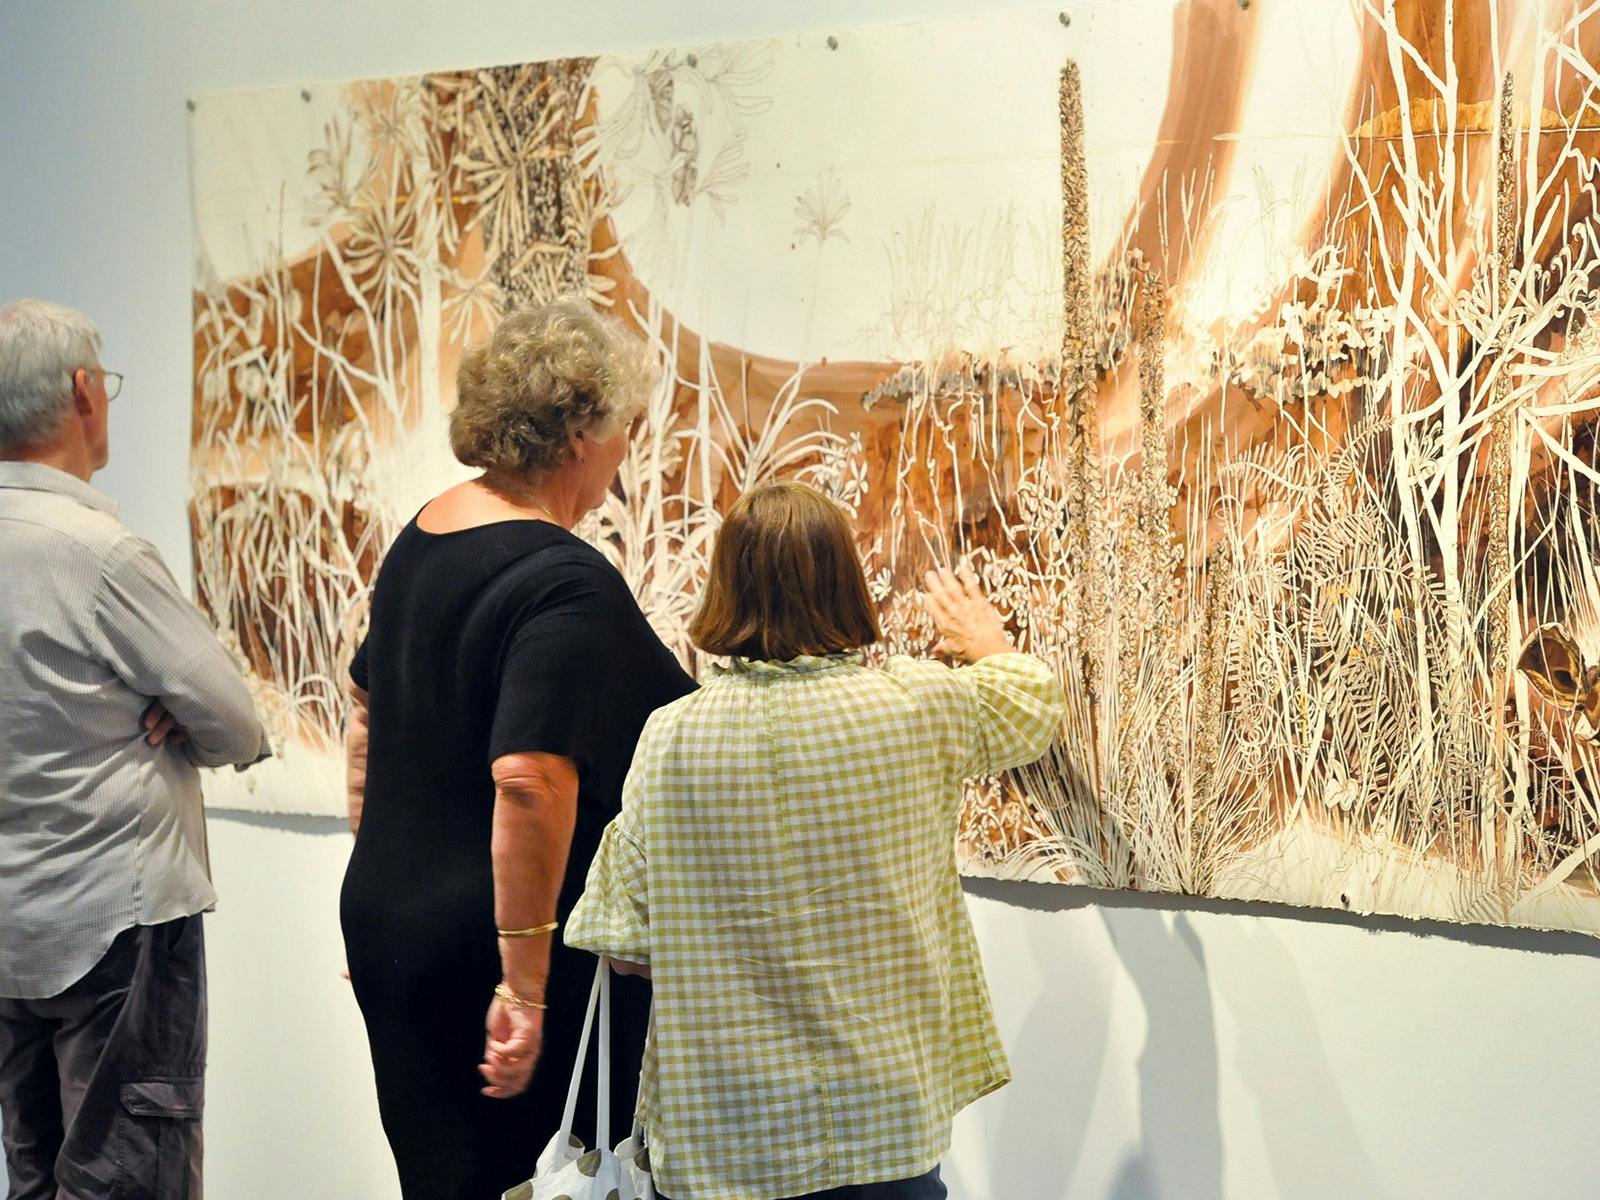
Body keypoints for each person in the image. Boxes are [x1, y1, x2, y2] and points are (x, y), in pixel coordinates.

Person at [566, 481, 1066, 1200]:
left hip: (728, 1136)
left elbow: (624, 946)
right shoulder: (916, 706)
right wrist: (987, 641)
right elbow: (1030, 702)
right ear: (844, 585)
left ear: (726, 587)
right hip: (886, 1120)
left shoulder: (672, 737)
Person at [339, 297, 696, 1200]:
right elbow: (530, 781)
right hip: (496, 957)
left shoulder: (424, 535)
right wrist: (525, 987)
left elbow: (365, 714)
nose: (626, 450)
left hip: (400, 928)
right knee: (535, 1181)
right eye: (622, 427)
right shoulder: (562, 580)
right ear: (580, 433)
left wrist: (381, 868)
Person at [0, 298, 270, 1200]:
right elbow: (236, 722)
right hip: (116, 924)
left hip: (12, 931)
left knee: (34, 1178)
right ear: (83, 394)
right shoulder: (98, 555)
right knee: (129, 1182)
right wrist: (168, 708)